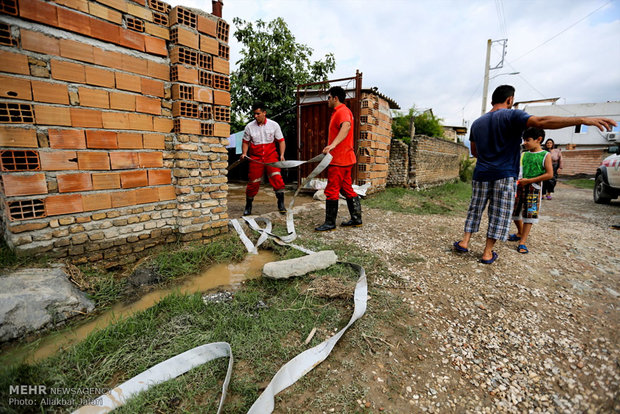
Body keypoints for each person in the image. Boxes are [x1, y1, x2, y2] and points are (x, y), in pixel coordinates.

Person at [453, 85, 616, 264]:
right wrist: (582, 120)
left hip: (481, 174)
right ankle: (487, 253)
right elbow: (541, 121)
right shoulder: (512, 115)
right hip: (505, 174)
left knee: (475, 208)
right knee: (499, 213)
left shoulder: (477, 123)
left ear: (493, 100)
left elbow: (475, 152)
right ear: (510, 100)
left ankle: (465, 241)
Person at [315, 86, 362, 231]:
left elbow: (346, 127)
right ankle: (356, 219)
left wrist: (332, 145)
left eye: (328, 97)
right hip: (345, 159)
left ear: (335, 98)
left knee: (332, 190)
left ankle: (330, 223)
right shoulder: (340, 112)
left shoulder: (342, 111)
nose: (327, 100)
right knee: (346, 188)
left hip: (339, 160)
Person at [508, 127, 553, 254]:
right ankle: (520, 232)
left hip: (534, 189)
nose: (525, 143)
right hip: (519, 186)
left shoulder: (546, 155)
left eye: (528, 140)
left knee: (530, 215)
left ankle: (522, 242)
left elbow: (549, 174)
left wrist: (530, 180)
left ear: (539, 140)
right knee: (514, 212)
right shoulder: (524, 154)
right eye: (524, 140)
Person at [241, 102, 287, 216]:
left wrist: (282, 155)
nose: (256, 116)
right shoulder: (249, 127)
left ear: (264, 113)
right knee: (253, 182)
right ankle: (248, 206)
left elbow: (281, 141)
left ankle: (281, 204)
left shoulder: (274, 125)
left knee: (277, 178)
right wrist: (244, 153)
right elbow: (245, 142)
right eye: (254, 114)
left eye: (258, 114)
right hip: (255, 158)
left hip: (271, 156)